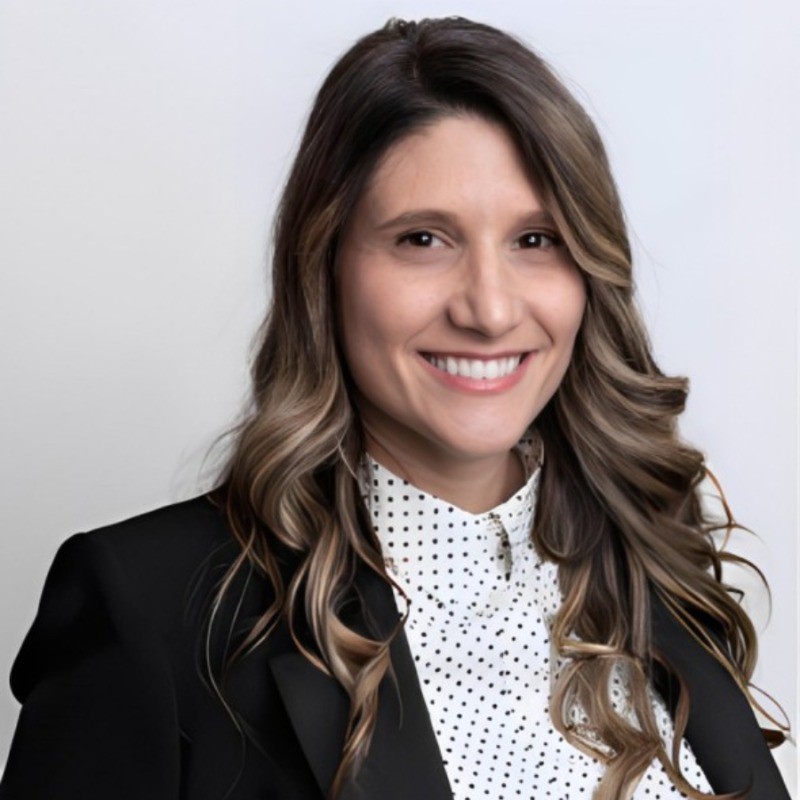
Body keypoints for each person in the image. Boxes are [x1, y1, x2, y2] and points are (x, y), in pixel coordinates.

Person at [0, 16, 791, 800]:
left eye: (537, 239)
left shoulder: (657, 566)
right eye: (422, 239)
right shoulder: (150, 610)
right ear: (325, 267)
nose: (488, 309)